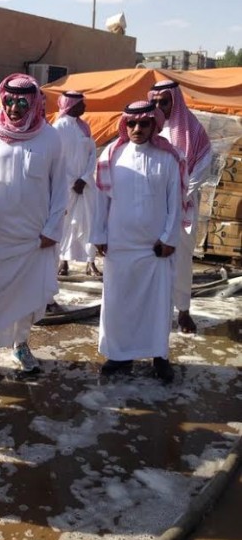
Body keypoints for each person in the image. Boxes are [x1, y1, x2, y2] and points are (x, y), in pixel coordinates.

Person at [0, 72, 67, 384]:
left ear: (34, 102)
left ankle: (21, 345)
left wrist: (52, 228)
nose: (14, 106)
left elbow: (59, 188)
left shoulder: (50, 138)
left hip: (35, 237)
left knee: (27, 294)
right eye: (9, 100)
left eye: (22, 101)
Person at [91, 100, 184, 382]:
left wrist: (169, 238)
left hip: (155, 247)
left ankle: (159, 356)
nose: (137, 129)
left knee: (157, 304)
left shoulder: (169, 158)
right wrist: (99, 234)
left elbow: (175, 202)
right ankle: (119, 355)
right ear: (124, 124)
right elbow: (100, 199)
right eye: (131, 123)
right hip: (120, 245)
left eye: (144, 124)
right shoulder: (112, 154)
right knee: (119, 302)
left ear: (155, 125)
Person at [148, 80, 212, 334]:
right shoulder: (149, 128)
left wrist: (182, 194)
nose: (158, 106)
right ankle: (155, 311)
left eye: (164, 101)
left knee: (182, 260)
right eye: (154, 101)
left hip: (184, 206)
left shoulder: (193, 130)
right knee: (153, 258)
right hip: (154, 206)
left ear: (175, 100)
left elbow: (203, 165)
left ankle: (183, 311)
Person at [52, 90, 100, 278]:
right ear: (72, 105)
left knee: (89, 222)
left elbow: (91, 156)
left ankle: (91, 262)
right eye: (81, 104)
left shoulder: (85, 127)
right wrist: (73, 181)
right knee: (65, 224)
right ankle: (63, 261)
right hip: (66, 186)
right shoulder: (57, 128)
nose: (85, 107)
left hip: (86, 185)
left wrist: (85, 178)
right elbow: (57, 160)